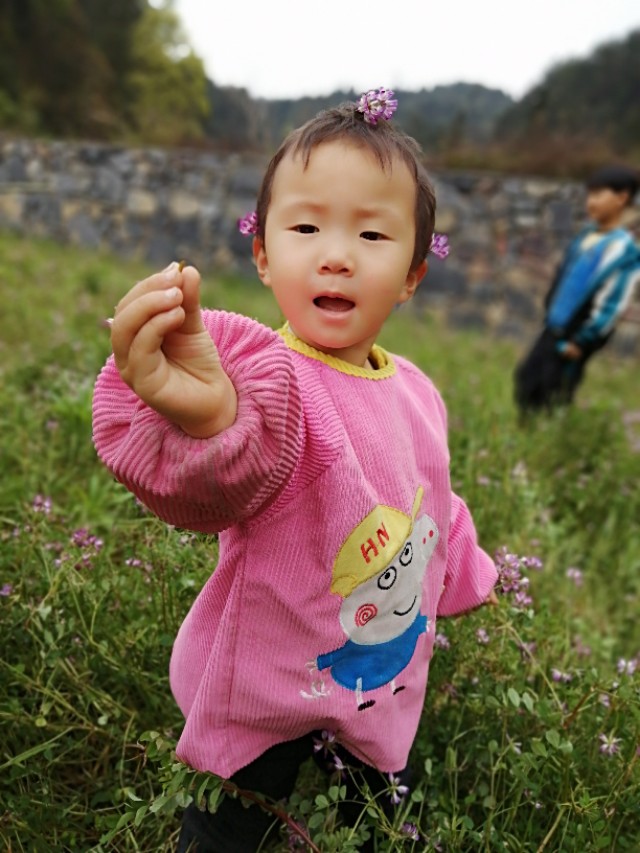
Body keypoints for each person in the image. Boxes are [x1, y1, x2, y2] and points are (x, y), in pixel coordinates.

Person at [92, 89, 498, 852]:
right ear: (264, 255)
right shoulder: (263, 380)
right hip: (271, 670)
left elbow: (430, 499)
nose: (336, 252)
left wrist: (465, 570)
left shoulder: (414, 386)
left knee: (383, 806)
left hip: (381, 661)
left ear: (412, 274)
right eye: (306, 226)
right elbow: (225, 480)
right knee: (232, 813)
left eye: (373, 233)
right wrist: (210, 418)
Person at [514, 164, 640, 413]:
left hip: (576, 334)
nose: (590, 202)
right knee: (528, 378)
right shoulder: (586, 236)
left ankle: (550, 438)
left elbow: (612, 301)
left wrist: (583, 339)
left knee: (556, 389)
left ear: (621, 198)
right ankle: (527, 430)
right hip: (554, 325)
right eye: (589, 194)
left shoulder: (623, 250)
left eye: (598, 195)